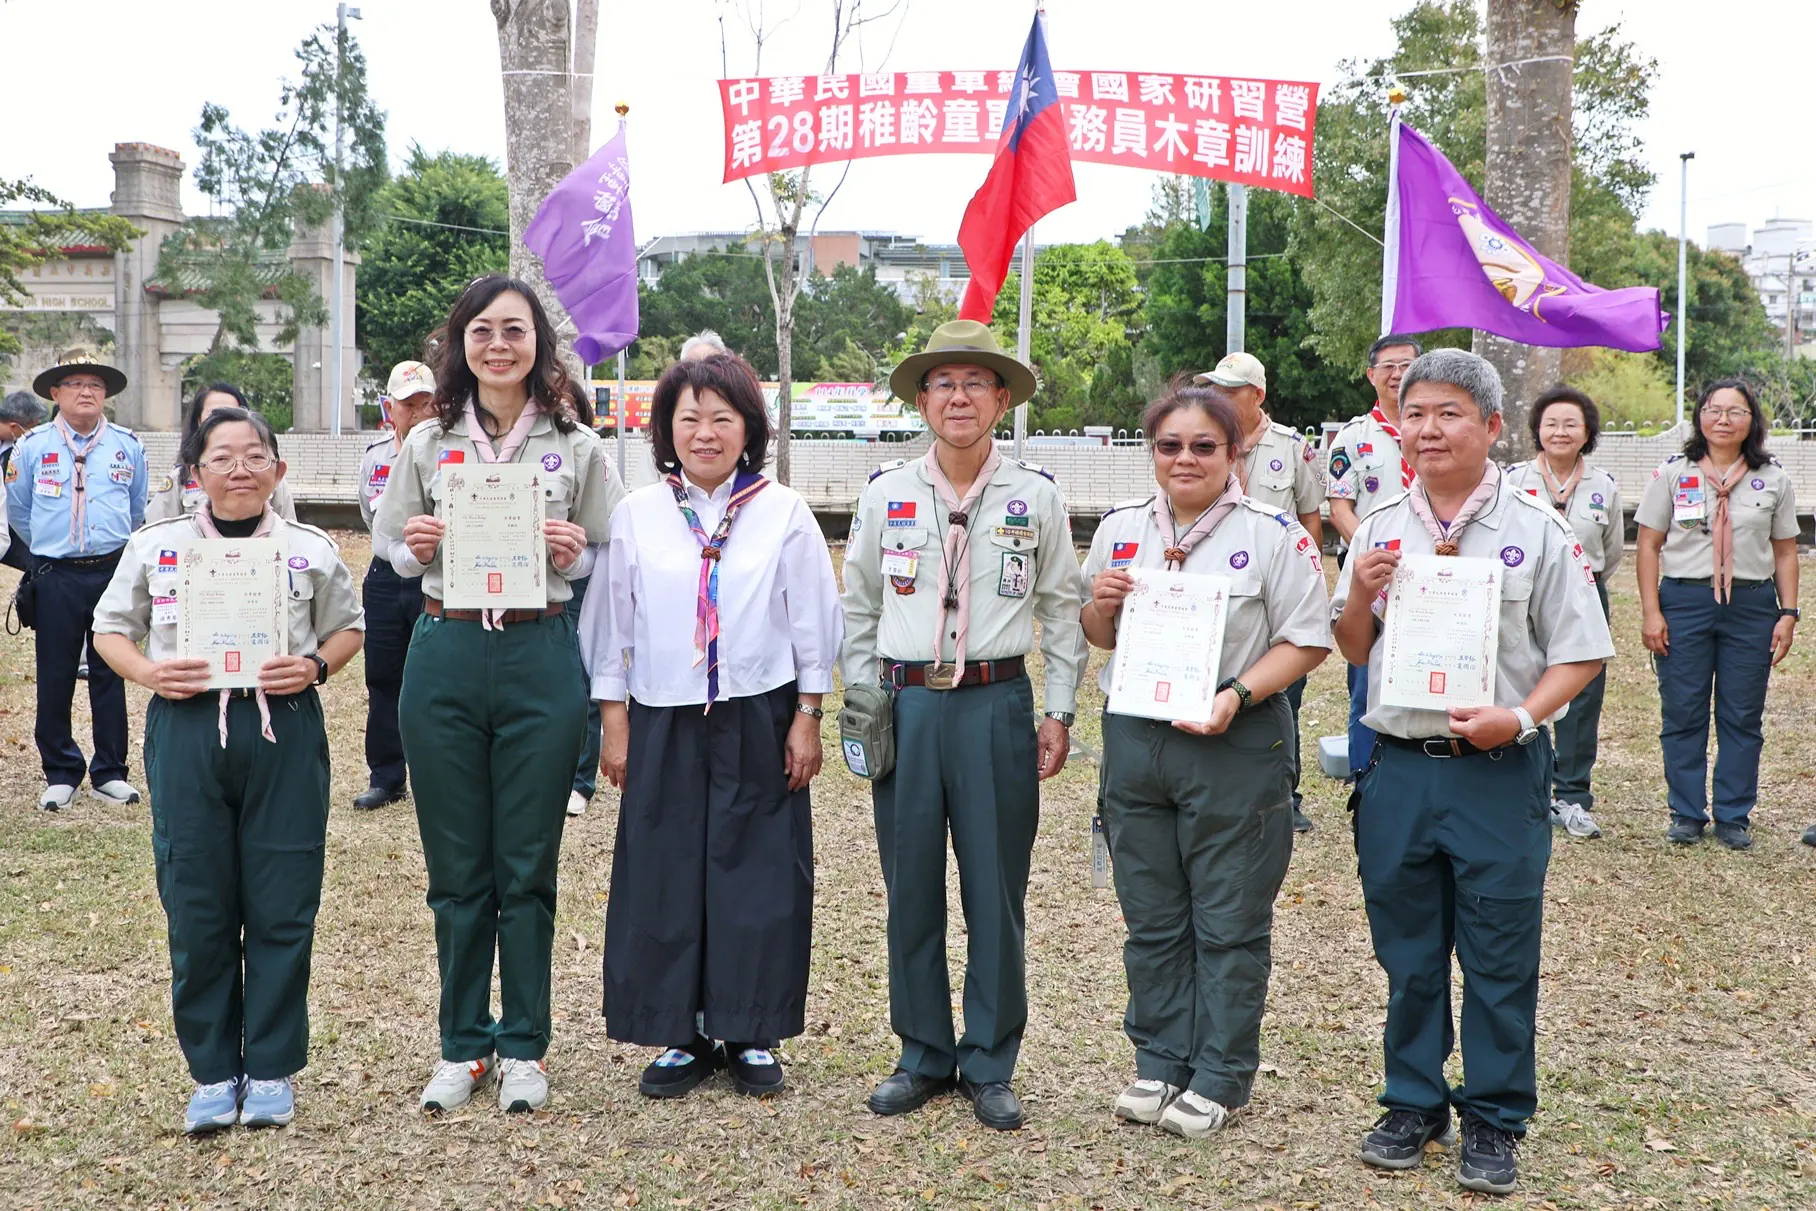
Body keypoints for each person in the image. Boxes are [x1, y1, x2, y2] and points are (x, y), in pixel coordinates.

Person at [1331, 349, 1612, 1196]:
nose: (1428, 428)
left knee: (1499, 953)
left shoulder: (1538, 529)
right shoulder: (1380, 526)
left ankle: (1493, 1114)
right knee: (1409, 951)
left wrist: (1519, 717)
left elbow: (1581, 652)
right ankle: (1413, 1101)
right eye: (1415, 413)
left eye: (1449, 412)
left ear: (1491, 426)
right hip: (1400, 769)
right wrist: (1359, 595)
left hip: (1497, 768)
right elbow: (1353, 648)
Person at [373, 274, 623, 1115]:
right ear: (461, 344)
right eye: (481, 331)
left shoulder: (575, 444)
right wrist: (415, 545)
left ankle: (523, 1044)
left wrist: (573, 551)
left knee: (527, 862)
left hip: (537, 651)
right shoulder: (427, 442)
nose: (498, 345)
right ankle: (462, 1043)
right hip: (445, 648)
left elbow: (607, 548)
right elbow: (392, 548)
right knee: (455, 868)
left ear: (538, 343)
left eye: (514, 330)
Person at [841, 319, 1088, 1132]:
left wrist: (1058, 710)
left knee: (995, 889)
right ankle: (922, 1052)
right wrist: (864, 700)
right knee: (910, 887)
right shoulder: (886, 493)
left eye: (975, 382)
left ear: (1001, 399)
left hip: (995, 704)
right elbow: (860, 607)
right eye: (943, 383)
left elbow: (1062, 609)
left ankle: (989, 1059)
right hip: (908, 705)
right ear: (921, 401)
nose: (958, 396)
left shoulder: (1035, 496)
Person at [92, 406, 364, 1134]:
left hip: (282, 729)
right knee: (197, 901)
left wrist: (314, 666)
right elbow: (110, 628)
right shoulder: (158, 546)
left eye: (255, 456)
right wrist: (150, 672)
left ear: (279, 469)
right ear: (195, 473)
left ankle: (270, 1065)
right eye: (222, 457)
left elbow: (348, 627)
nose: (239, 469)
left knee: (283, 898)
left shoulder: (307, 548)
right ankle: (213, 1071)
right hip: (188, 727)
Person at [581, 352, 842, 1099]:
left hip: (758, 709)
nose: (705, 432)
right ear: (666, 428)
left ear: (749, 429)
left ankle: (749, 1028)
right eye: (689, 417)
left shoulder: (782, 511)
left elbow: (813, 620)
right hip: (663, 710)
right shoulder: (638, 513)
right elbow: (611, 623)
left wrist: (808, 715)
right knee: (662, 867)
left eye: (722, 418)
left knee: (759, 869)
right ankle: (679, 1031)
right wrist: (613, 718)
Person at [1081, 383, 1330, 1140]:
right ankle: (1159, 1059)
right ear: (1152, 451)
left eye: (1203, 445)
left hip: (1234, 738)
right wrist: (1102, 603)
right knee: (1151, 914)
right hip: (1137, 736)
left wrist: (1237, 693)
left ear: (1233, 452)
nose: (1184, 458)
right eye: (1169, 445)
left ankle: (1220, 1072)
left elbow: (1307, 639)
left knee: (1228, 916)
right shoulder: (1122, 528)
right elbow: (1098, 633)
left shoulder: (1274, 534)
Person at [1635, 379, 1798, 850]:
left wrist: (1788, 613)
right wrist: (1651, 612)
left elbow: (1785, 551)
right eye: (1713, 409)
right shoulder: (1673, 473)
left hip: (1750, 605)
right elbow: (1648, 545)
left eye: (1735, 411)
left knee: (1742, 714)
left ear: (1752, 420)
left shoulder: (1773, 478)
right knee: (1683, 710)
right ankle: (1687, 812)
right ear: (1699, 416)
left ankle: (1733, 815)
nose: (1723, 420)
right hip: (1685, 601)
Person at [5, 351, 149, 810]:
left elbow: (137, 509)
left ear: (105, 394)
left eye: (95, 385)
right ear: (55, 393)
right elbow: (20, 512)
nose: (87, 392)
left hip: (111, 572)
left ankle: (110, 771)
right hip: (56, 575)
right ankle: (61, 770)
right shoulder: (31, 447)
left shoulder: (127, 446)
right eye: (75, 384)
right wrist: (53, 547)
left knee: (111, 671)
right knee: (55, 672)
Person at [1195, 355, 1325, 833]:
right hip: (1221, 594)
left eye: (1230, 390)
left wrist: (1305, 583)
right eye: (1214, 389)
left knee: (1282, 698)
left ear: (1258, 395)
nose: (1219, 398)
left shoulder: (1291, 448)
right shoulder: (1204, 444)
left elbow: (1310, 517)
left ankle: (1284, 796)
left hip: (1275, 592)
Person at [1504, 387, 1623, 840]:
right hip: (1523, 596)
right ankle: (1524, 789)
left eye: (1571, 424)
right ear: (1537, 430)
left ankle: (1572, 795)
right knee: (1524, 684)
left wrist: (1582, 583)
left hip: (1585, 594)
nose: (1560, 431)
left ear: (1587, 432)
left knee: (1582, 695)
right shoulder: (1513, 480)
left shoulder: (1603, 486)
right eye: (1551, 423)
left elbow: (1612, 551)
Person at [1327, 334, 1423, 778]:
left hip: (1431, 578)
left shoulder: (1435, 431)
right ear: (1371, 375)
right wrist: (1374, 556)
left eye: (1407, 365)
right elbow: (1340, 508)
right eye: (1388, 366)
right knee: (1366, 681)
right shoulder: (1352, 439)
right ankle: (1366, 778)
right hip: (1374, 579)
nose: (1398, 374)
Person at [352, 361, 437, 810]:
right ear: (391, 408)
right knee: (383, 677)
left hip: (433, 575)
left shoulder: (448, 451)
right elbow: (371, 517)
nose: (419, 412)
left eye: (427, 402)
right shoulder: (375, 457)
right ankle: (386, 776)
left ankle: (435, 774)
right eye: (409, 404)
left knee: (435, 679)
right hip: (385, 577)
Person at [146, 383, 297, 524]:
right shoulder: (180, 478)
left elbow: (288, 531)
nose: (224, 420)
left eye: (233, 412)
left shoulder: (268, 474)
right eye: (214, 414)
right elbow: (159, 533)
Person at [561, 379, 606, 817]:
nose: (561, 412)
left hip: (578, 583)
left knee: (583, 676)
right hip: (530, 588)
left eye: (568, 405)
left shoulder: (591, 453)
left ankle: (581, 780)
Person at [1, 389, 49, 573]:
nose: (35, 432)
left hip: (19, 543)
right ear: (14, 426)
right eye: (32, 427)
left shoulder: (28, 451)